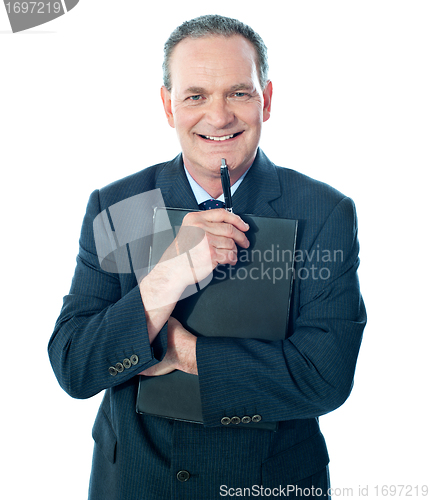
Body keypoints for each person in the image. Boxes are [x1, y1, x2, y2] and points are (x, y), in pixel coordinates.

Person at [48, 14, 366, 499]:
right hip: (136, 483)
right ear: (168, 106)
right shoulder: (117, 207)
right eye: (195, 96)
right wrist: (164, 280)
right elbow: (74, 366)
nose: (219, 118)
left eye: (239, 93)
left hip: (268, 484)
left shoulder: (324, 212)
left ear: (268, 99)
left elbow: (326, 377)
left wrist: (184, 352)